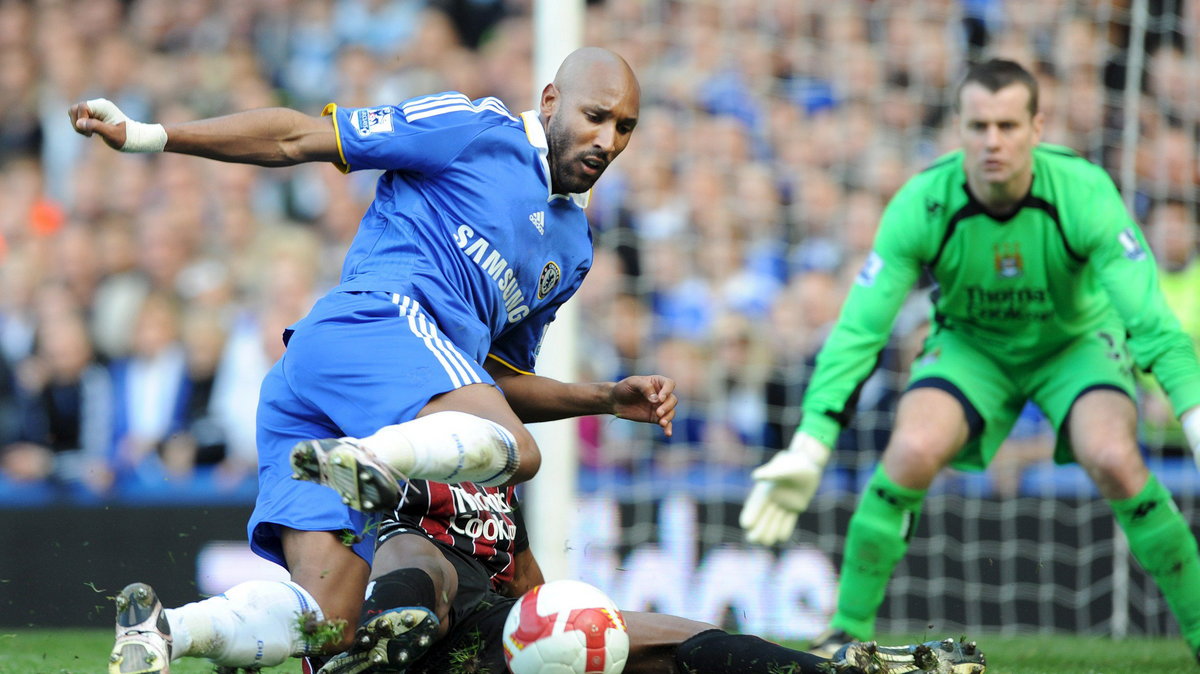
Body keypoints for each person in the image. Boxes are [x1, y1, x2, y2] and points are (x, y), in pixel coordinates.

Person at [73, 47, 680, 674]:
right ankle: (373, 459)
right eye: (595, 116)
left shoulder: (573, 248)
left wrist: (604, 399)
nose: (607, 140)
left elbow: (489, 381)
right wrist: (150, 136)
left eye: (624, 128)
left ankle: (165, 631)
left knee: (328, 620)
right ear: (551, 100)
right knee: (518, 452)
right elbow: (297, 138)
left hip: (337, 387)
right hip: (371, 326)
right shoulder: (472, 130)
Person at [738, 58, 1200, 662]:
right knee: (910, 450)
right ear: (958, 127)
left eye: (1007, 125)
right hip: (971, 346)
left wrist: (1194, 422)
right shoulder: (923, 203)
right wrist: (812, 439)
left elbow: (1152, 324)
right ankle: (844, 630)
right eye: (979, 125)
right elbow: (859, 329)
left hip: (1075, 344)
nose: (992, 141)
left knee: (1112, 456)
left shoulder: (1084, 193)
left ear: (1038, 127)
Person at [306, 468, 986, 674]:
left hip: (489, 642)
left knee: (683, 636)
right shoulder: (362, 480)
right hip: (419, 638)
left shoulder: (488, 474)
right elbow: (317, 604)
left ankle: (837, 672)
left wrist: (562, 632)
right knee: (419, 562)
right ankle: (390, 638)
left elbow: (530, 586)